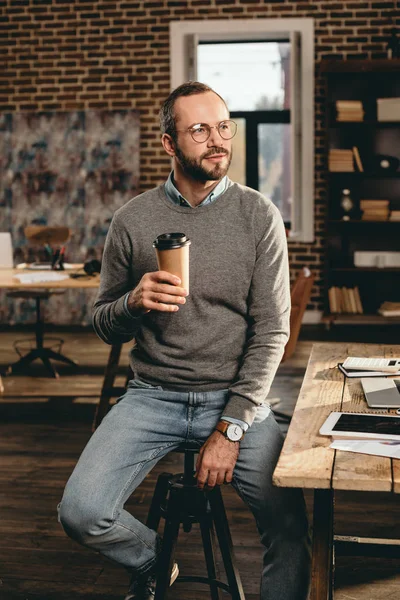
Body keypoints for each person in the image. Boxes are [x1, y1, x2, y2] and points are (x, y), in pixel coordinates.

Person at [58, 81, 311, 600]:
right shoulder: (132, 220)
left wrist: (232, 428)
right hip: (153, 395)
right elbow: (102, 322)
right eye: (199, 129)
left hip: (236, 398)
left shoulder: (258, 215)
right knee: (81, 512)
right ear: (170, 143)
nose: (217, 140)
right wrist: (133, 301)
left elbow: (271, 332)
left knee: (290, 528)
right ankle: (157, 561)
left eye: (223, 127)